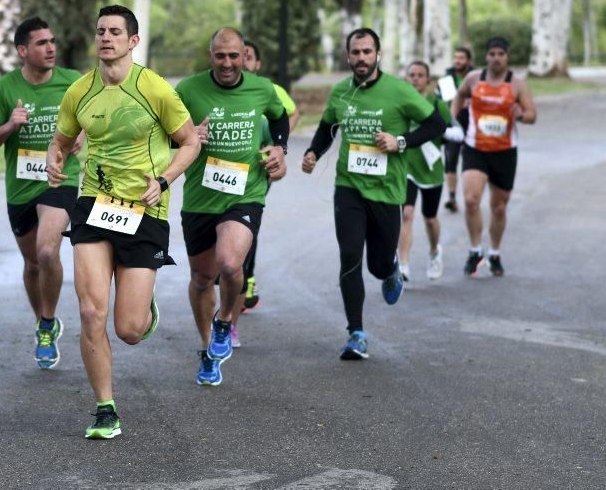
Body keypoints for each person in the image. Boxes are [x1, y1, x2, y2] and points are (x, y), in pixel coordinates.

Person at [45, 5, 199, 439]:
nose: (106, 38)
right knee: (91, 310)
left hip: (144, 209)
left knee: (127, 329)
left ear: (133, 41)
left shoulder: (155, 89)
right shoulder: (79, 91)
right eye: (100, 31)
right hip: (94, 203)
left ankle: (142, 309)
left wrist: (165, 180)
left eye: (115, 32)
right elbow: (60, 141)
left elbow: (189, 143)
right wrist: (53, 161)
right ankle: (105, 409)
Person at [301, 28, 446, 360]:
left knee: (378, 265)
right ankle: (356, 333)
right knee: (350, 256)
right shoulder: (340, 91)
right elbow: (326, 128)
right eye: (356, 52)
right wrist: (313, 153)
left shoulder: (399, 90)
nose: (361, 58)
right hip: (348, 187)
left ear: (378, 55)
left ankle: (391, 267)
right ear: (348, 56)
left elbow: (435, 124)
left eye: (368, 51)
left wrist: (401, 142)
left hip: (387, 190)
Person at [175, 27, 289, 385]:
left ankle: (225, 319)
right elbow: (164, 132)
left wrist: (280, 147)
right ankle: (208, 347)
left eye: (234, 55)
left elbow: (280, 116)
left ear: (244, 55)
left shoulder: (261, 88)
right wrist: (189, 134)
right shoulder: (188, 90)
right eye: (220, 55)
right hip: (199, 198)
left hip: (245, 193)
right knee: (201, 278)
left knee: (229, 263)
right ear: (211, 55)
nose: (227, 63)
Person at [0, 16, 83, 370]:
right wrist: (10, 124)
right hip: (21, 187)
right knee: (33, 262)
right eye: (41, 43)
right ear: (23, 50)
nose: (50, 48)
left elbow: (99, 120)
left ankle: (49, 322)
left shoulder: (73, 83)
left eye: (52, 41)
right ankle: (42, 322)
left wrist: (84, 136)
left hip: (59, 181)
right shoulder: (4, 89)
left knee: (47, 250)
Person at [451, 36, 536, 277]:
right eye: (492, 54)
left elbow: (532, 115)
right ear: (486, 57)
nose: (496, 58)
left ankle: (494, 253)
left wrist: (520, 115)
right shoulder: (473, 79)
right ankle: (475, 250)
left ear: (507, 57)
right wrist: (456, 121)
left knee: (499, 208)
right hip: (475, 148)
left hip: (504, 151)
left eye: (501, 54)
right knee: (470, 200)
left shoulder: (517, 84)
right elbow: (458, 96)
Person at [231, 40, 300, 326]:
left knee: (246, 221)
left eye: (249, 57)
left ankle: (245, 277)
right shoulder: (223, 89)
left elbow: (291, 114)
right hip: (224, 165)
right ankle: (234, 272)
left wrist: (277, 145)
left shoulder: (269, 90)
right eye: (240, 56)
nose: (244, 61)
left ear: (257, 64)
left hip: (257, 168)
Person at [398, 61, 463, 283]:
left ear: (428, 80)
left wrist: (437, 131)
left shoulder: (436, 104)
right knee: (407, 214)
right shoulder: (401, 104)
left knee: (430, 218)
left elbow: (458, 133)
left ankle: (435, 251)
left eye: (420, 75)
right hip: (406, 166)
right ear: (406, 78)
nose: (415, 78)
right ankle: (403, 265)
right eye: (411, 74)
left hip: (431, 167)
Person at [441, 47, 474, 213]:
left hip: (474, 125)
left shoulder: (476, 77)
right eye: (456, 58)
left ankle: (471, 195)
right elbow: (447, 102)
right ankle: (452, 197)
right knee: (450, 161)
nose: (458, 61)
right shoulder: (448, 78)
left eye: (461, 58)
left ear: (468, 60)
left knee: (471, 162)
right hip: (453, 124)